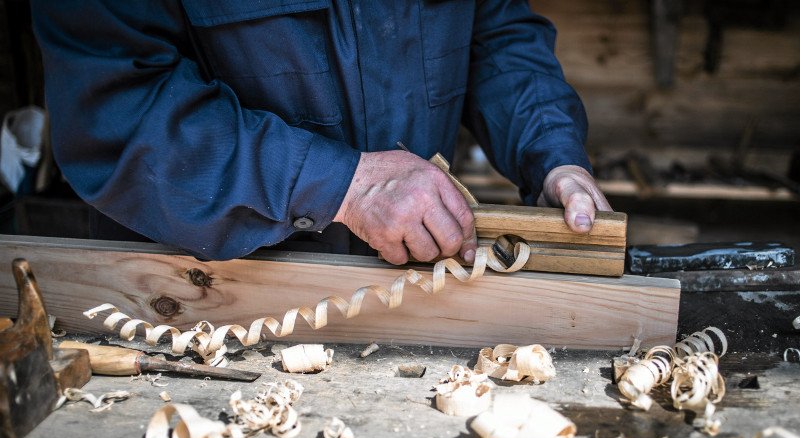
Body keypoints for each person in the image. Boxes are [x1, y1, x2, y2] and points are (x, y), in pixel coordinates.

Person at [31, 1, 611, 265]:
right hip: (198, 305)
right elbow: (118, 108)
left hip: (415, 292)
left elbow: (495, 28)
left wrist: (552, 152)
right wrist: (343, 186)